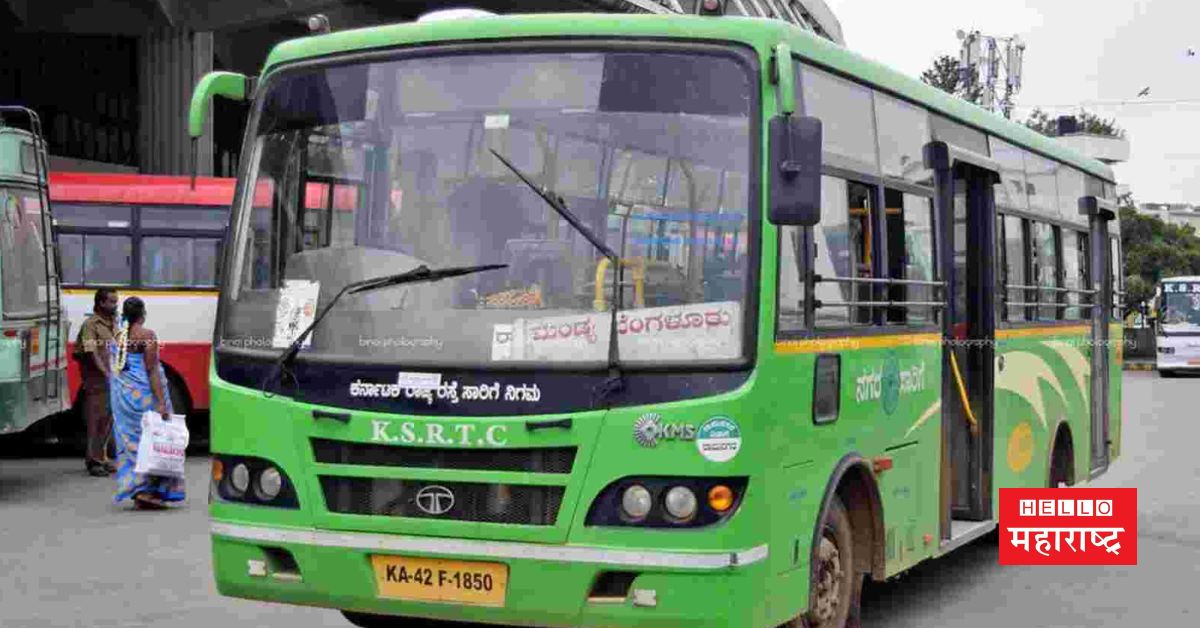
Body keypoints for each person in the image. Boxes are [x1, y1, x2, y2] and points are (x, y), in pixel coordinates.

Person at [108, 297, 185, 510]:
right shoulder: (148, 336)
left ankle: (137, 489)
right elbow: (151, 370)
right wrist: (161, 402)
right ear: (143, 314)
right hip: (143, 397)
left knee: (132, 443)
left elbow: (116, 368)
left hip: (124, 399)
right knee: (153, 441)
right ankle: (150, 492)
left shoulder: (116, 335)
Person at [74, 287, 118, 476]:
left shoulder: (113, 323)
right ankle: (93, 461)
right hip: (96, 379)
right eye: (112, 302)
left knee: (108, 420)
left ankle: (103, 457)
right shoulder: (91, 325)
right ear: (101, 303)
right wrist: (104, 372)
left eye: (116, 302)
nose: (115, 305)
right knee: (96, 419)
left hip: (111, 379)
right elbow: (91, 352)